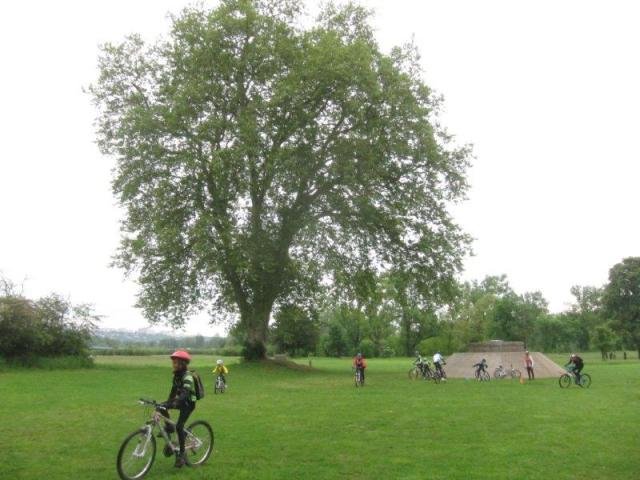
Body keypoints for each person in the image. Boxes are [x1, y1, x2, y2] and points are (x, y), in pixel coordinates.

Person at [159, 350, 197, 468]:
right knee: (161, 406)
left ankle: (181, 454)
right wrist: (166, 403)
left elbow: (185, 393)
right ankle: (170, 427)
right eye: (173, 363)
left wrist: (175, 402)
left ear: (182, 364)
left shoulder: (188, 376)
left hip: (188, 403)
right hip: (180, 401)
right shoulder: (176, 376)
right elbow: (173, 392)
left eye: (176, 363)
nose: (173, 365)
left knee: (180, 426)